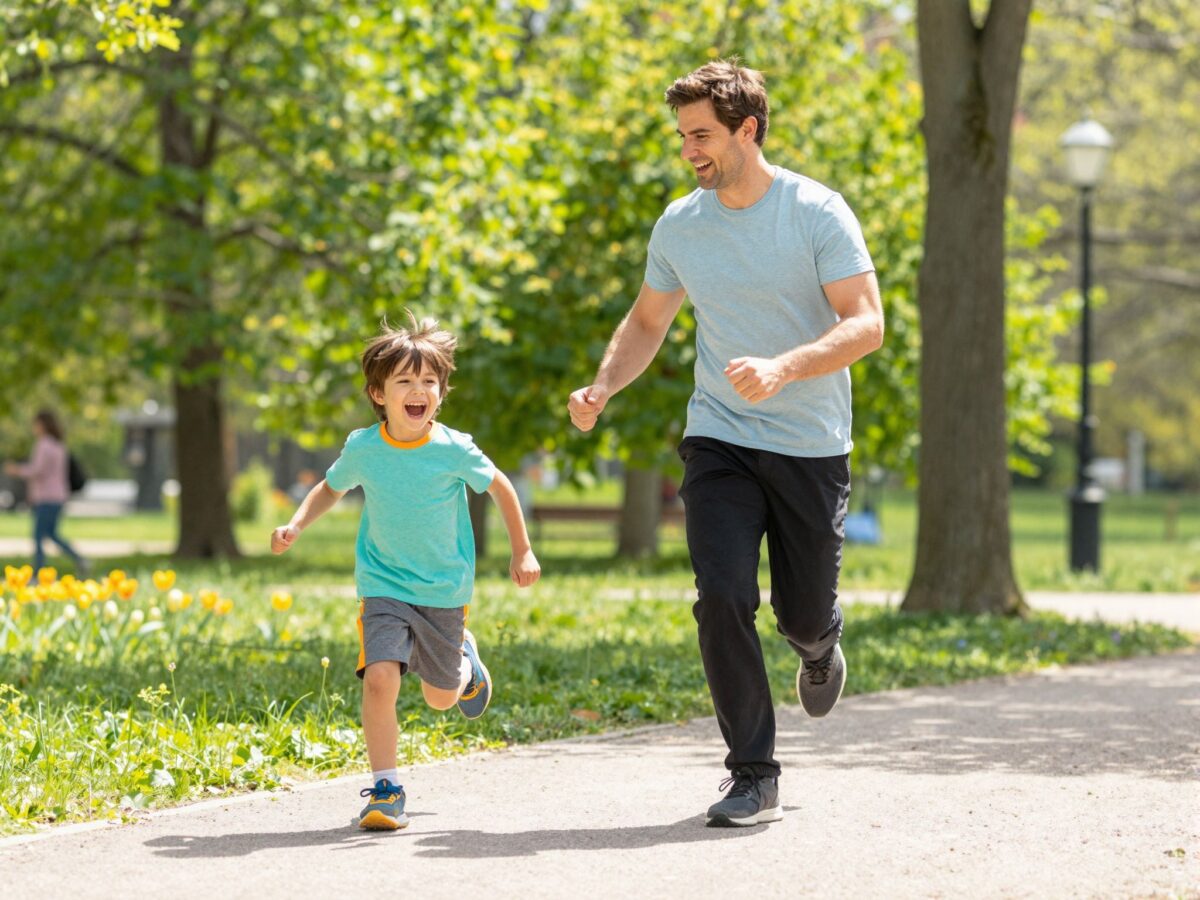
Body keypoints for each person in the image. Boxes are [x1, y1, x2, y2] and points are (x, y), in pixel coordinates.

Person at [568, 59, 883, 828]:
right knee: (722, 597)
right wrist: (607, 384)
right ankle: (753, 773)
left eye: (702, 135)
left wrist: (784, 367)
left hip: (809, 442)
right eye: (682, 136)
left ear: (749, 129)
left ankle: (818, 643)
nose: (689, 151)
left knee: (800, 612)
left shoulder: (817, 212)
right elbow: (648, 322)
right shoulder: (682, 224)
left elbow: (866, 323)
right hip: (720, 437)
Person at [271, 314, 541, 831]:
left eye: (429, 382)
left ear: (441, 392)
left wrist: (521, 551)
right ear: (378, 393)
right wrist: (297, 524)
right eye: (404, 382)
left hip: (443, 588)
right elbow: (331, 487)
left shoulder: (452, 448)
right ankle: (386, 788)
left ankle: (464, 662)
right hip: (383, 585)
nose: (418, 391)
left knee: (440, 699)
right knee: (378, 679)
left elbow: (501, 486)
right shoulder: (364, 448)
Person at [4, 409, 87, 574]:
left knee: (38, 536)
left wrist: (16, 470)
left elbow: (37, 470)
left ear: (42, 425)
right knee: (51, 534)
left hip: (46, 497)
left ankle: (39, 572)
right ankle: (79, 559)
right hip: (58, 496)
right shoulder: (59, 445)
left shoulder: (44, 444)